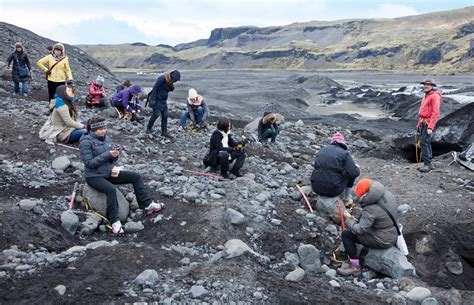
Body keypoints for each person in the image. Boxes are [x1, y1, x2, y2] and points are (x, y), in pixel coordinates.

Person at [79, 116, 164, 235]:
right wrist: (108, 154)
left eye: (104, 128)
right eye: (100, 129)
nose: (103, 131)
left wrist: (115, 155)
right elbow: (89, 163)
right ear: (92, 130)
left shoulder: (106, 139)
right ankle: (114, 222)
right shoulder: (85, 142)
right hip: (94, 176)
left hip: (108, 172)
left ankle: (147, 205)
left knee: (135, 177)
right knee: (111, 190)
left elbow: (110, 161)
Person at [337, 179, 399, 276]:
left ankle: (355, 266)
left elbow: (360, 230)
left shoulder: (370, 209)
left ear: (365, 195)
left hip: (383, 240)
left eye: (359, 195)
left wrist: (349, 220)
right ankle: (363, 252)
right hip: (392, 232)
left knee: (346, 235)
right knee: (360, 223)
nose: (357, 197)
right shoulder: (387, 194)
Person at [311, 132, 360, 205]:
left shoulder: (322, 150)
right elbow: (353, 172)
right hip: (332, 191)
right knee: (351, 171)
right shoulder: (344, 153)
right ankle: (347, 198)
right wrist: (356, 168)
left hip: (316, 188)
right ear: (343, 143)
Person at [416, 79, 442, 173]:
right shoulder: (426, 95)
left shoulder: (434, 96)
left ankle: (428, 165)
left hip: (428, 123)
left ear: (432, 86)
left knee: (424, 142)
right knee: (425, 142)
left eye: (428, 85)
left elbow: (436, 112)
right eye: (425, 84)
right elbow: (423, 112)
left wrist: (430, 127)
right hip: (423, 122)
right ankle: (428, 164)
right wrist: (419, 124)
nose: (426, 86)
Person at [146, 70, 181, 138]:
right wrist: (152, 99)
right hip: (157, 99)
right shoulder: (162, 78)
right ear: (171, 76)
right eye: (175, 80)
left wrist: (171, 85)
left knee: (165, 115)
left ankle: (164, 132)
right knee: (156, 114)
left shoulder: (169, 81)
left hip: (163, 100)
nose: (175, 81)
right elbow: (155, 88)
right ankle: (148, 129)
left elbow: (171, 89)